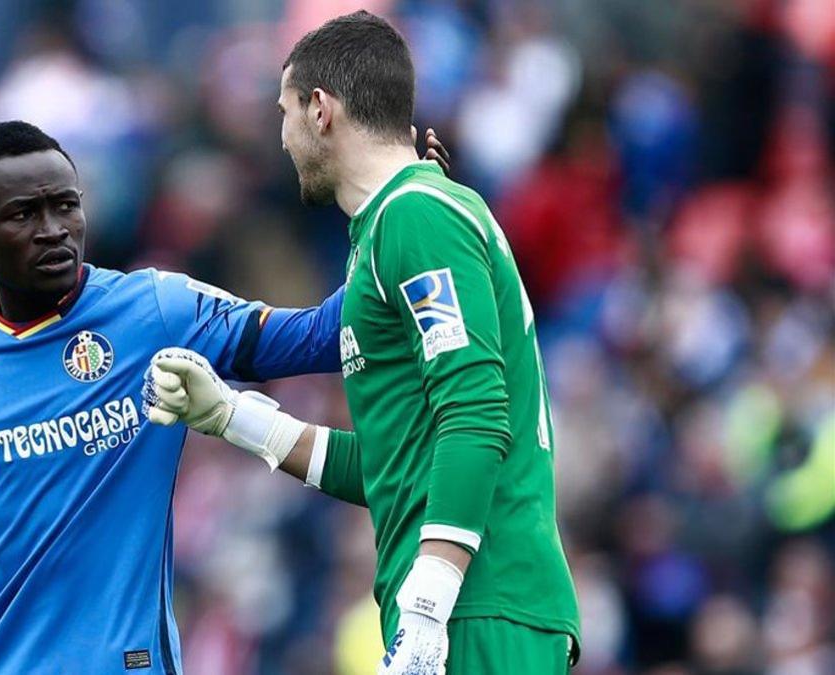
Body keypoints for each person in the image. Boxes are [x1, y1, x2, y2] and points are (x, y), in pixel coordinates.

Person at [0, 120, 449, 674]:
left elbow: (315, 337)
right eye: (23, 214)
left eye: (65, 204)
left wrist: (400, 218)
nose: (54, 229)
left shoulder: (155, 308)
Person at [143, 11, 580, 675]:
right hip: (466, 603)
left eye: (285, 111)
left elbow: (475, 411)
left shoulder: (416, 215)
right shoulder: (393, 228)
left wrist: (430, 605)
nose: (282, 137)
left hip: (479, 603)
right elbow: (390, 466)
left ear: (321, 110)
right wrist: (232, 416)